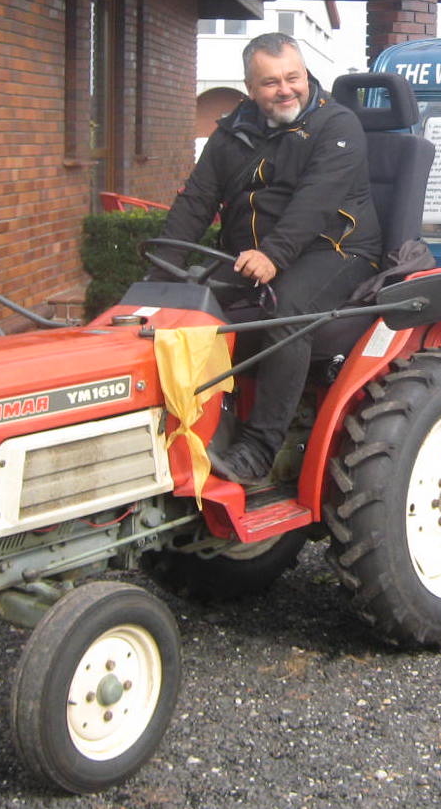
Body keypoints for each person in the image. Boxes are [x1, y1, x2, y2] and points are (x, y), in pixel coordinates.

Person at [154, 32, 381, 487]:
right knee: (184, 306)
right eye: (271, 82)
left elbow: (316, 201)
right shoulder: (232, 133)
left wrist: (273, 255)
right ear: (250, 88)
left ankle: (259, 448)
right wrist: (157, 278)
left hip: (336, 249)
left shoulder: (337, 126)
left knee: (286, 310)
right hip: (256, 256)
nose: (285, 90)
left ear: (306, 74)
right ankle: (183, 427)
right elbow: (196, 202)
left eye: (293, 77)